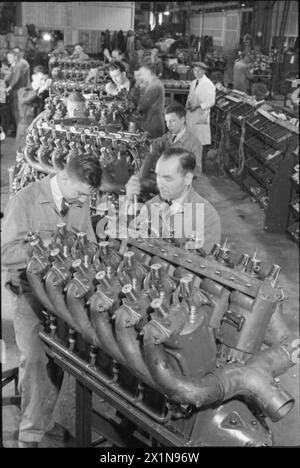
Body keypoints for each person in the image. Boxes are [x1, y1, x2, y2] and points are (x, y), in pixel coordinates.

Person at [1, 152, 102, 448]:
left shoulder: (79, 199)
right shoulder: (25, 200)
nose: (80, 202)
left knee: (61, 357)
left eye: (86, 197)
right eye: (79, 194)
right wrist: (40, 250)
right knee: (34, 358)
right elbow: (5, 253)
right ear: (66, 177)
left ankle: (42, 418)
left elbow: (90, 244)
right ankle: (29, 434)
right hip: (30, 293)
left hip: (64, 293)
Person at [120, 147, 221, 254]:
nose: (160, 184)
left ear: (187, 179)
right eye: (158, 176)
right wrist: (128, 200)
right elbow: (128, 236)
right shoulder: (153, 203)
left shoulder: (208, 218)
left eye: (167, 179)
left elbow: (201, 265)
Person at [131, 104, 203, 195]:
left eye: (172, 121)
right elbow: (157, 142)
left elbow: (197, 172)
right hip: (166, 180)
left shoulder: (194, 143)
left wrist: (177, 170)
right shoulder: (169, 135)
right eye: (167, 122)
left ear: (183, 120)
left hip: (182, 188)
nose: (168, 125)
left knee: (142, 185)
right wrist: (144, 140)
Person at [185, 61, 216, 171]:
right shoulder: (194, 82)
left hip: (200, 117)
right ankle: (191, 168)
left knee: (199, 145)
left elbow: (211, 102)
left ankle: (199, 169)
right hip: (191, 116)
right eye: (195, 70)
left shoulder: (208, 84)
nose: (197, 72)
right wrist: (188, 105)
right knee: (191, 144)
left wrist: (198, 105)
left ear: (204, 71)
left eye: (199, 70)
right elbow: (190, 96)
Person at [16, 65, 51, 151]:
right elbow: (26, 98)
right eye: (41, 79)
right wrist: (41, 89)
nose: (43, 82)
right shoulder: (23, 91)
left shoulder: (45, 93)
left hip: (39, 130)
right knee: (24, 157)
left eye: (45, 80)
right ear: (33, 77)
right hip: (25, 130)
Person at [134, 62, 165, 138]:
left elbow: (142, 105)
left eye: (142, 73)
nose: (141, 76)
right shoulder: (153, 83)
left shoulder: (155, 86)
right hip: (151, 120)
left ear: (148, 72)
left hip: (153, 123)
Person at [6, 49, 31, 131]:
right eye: (8, 57)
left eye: (10, 57)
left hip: (19, 90)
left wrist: (10, 87)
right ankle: (19, 129)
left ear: (15, 56)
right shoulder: (18, 64)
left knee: (18, 111)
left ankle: (20, 131)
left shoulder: (19, 65)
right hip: (20, 90)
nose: (9, 59)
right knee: (18, 111)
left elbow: (16, 78)